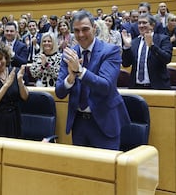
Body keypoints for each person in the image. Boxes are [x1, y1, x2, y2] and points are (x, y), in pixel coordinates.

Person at [55, 10, 130, 150]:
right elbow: (59, 92)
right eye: (76, 31)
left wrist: (80, 71)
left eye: (85, 29)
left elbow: (105, 86)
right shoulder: (69, 54)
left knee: (107, 170)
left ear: (94, 28)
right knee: (82, 169)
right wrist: (70, 78)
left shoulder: (110, 51)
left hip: (105, 122)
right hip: (78, 124)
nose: (81, 35)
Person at [121, 13, 173, 89]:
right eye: (139, 23)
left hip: (157, 87)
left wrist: (152, 46)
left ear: (152, 25)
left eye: (144, 23)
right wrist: (127, 47)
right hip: (136, 87)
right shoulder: (134, 42)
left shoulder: (162, 39)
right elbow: (126, 64)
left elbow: (167, 59)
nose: (141, 26)